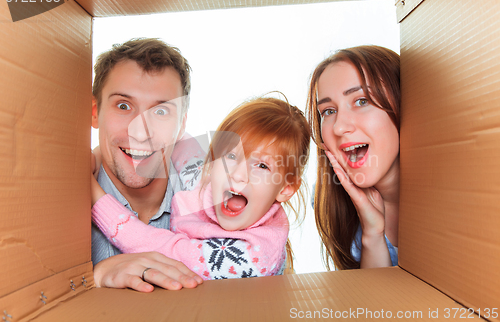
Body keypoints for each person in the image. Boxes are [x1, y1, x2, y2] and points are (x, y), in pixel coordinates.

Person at [91, 97, 311, 279]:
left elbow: (162, 250)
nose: (237, 174)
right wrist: (98, 153)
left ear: (285, 188)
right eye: (231, 156)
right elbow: (182, 145)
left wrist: (93, 194)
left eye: (262, 165)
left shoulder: (252, 258)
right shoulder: (207, 178)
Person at [91, 37, 204, 291]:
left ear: (182, 125)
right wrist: (94, 277)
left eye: (161, 111)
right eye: (123, 106)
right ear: (95, 112)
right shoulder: (61, 203)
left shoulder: (211, 196)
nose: (141, 133)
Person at [305, 45, 400, 270]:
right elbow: (373, 304)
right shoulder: (328, 200)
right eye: (328, 111)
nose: (339, 127)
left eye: (361, 101)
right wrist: (372, 236)